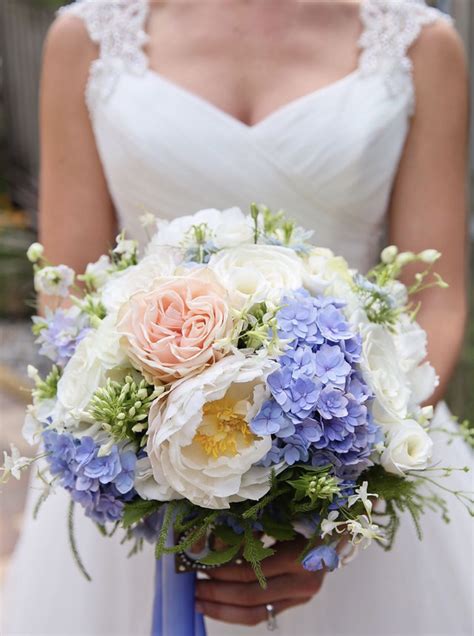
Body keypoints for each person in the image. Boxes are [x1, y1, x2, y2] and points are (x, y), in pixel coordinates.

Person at [2, 0, 472, 634]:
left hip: (356, 446)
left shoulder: (419, 45)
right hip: (146, 469)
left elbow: (434, 295)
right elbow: (68, 286)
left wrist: (343, 495)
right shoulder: (86, 39)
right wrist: (153, 467)